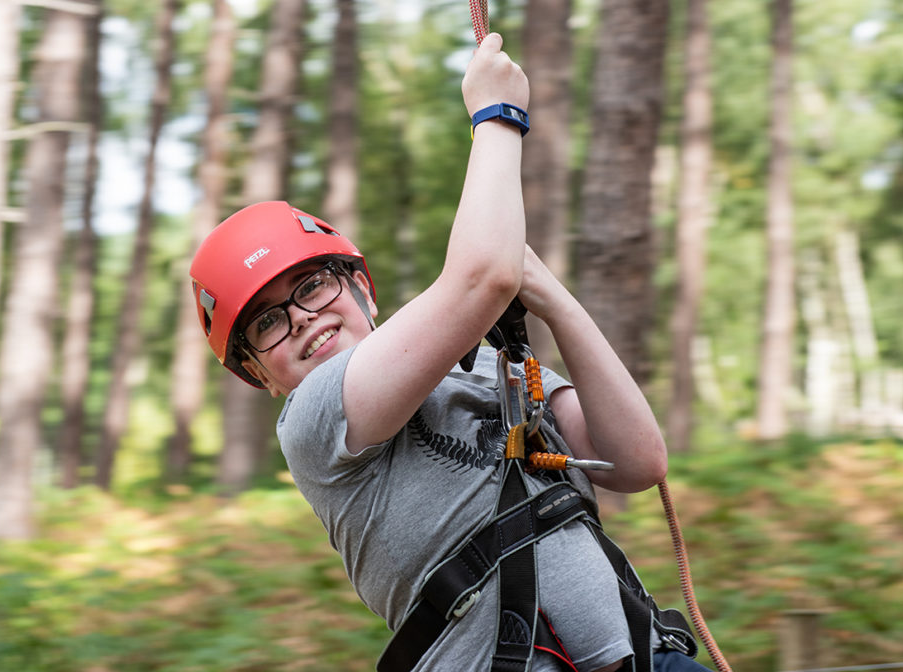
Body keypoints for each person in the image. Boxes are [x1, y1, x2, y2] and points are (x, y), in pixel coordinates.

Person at [190, 33, 710, 672]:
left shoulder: (492, 367)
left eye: (313, 284)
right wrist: (497, 116)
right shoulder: (315, 420)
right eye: (268, 322)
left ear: (361, 288)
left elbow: (636, 462)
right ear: (260, 374)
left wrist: (554, 299)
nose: (302, 318)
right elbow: (480, 279)